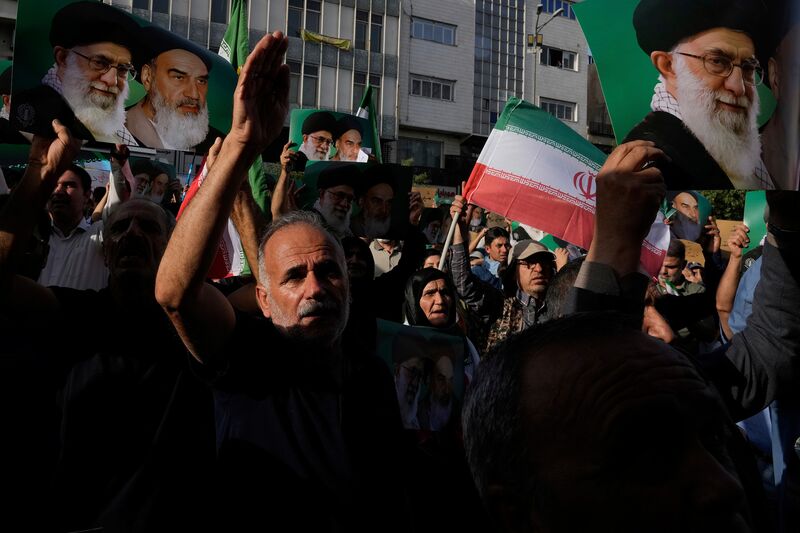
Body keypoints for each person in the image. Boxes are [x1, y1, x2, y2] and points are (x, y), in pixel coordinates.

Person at [463, 140, 800, 533]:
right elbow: (592, 383)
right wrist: (613, 244)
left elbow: (770, 347)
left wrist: (788, 220)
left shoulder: (680, 391)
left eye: (711, 436)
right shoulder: (590, 396)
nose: (722, 484)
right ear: (520, 514)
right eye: (650, 459)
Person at [154, 31, 410, 530]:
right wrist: (243, 146)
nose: (315, 288)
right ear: (264, 300)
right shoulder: (244, 355)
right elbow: (175, 294)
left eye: (328, 271)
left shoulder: (371, 377)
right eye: (294, 276)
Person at [0, 125, 216, 531]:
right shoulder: (76, 315)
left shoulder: (196, 326)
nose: (132, 234)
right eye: (119, 229)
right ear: (107, 249)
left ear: (173, 249)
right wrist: (39, 173)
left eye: (149, 229)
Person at [623, 0, 773, 189]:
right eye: (717, 61)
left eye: (747, 67)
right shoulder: (650, 162)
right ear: (668, 66)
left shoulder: (753, 150)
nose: (739, 87)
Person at [11, 1, 140, 144]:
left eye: (122, 69)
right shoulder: (29, 112)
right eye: (99, 63)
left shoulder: (123, 132)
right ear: (63, 58)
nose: (112, 80)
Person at [126, 25, 223, 152]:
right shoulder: (115, 130)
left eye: (201, 81)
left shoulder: (219, 144)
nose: (194, 94)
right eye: (179, 78)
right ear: (148, 77)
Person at [37, 163, 108, 290]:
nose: (58, 191)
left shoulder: (99, 234)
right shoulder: (34, 237)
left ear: (87, 195)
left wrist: (119, 166)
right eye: (54, 185)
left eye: (68, 185)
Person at [312, 162, 359, 237]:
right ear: (322, 194)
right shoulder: (308, 225)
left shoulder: (349, 231)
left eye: (350, 199)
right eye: (339, 195)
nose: (344, 204)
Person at [350, 165, 396, 239]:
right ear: (361, 201)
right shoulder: (346, 230)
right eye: (377, 201)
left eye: (389, 202)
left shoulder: (393, 233)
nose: (384, 210)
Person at [470, 226, 511, 290]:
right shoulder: (484, 256)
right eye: (499, 246)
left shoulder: (510, 268)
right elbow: (468, 252)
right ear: (487, 249)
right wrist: (480, 235)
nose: (504, 250)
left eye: (506, 245)